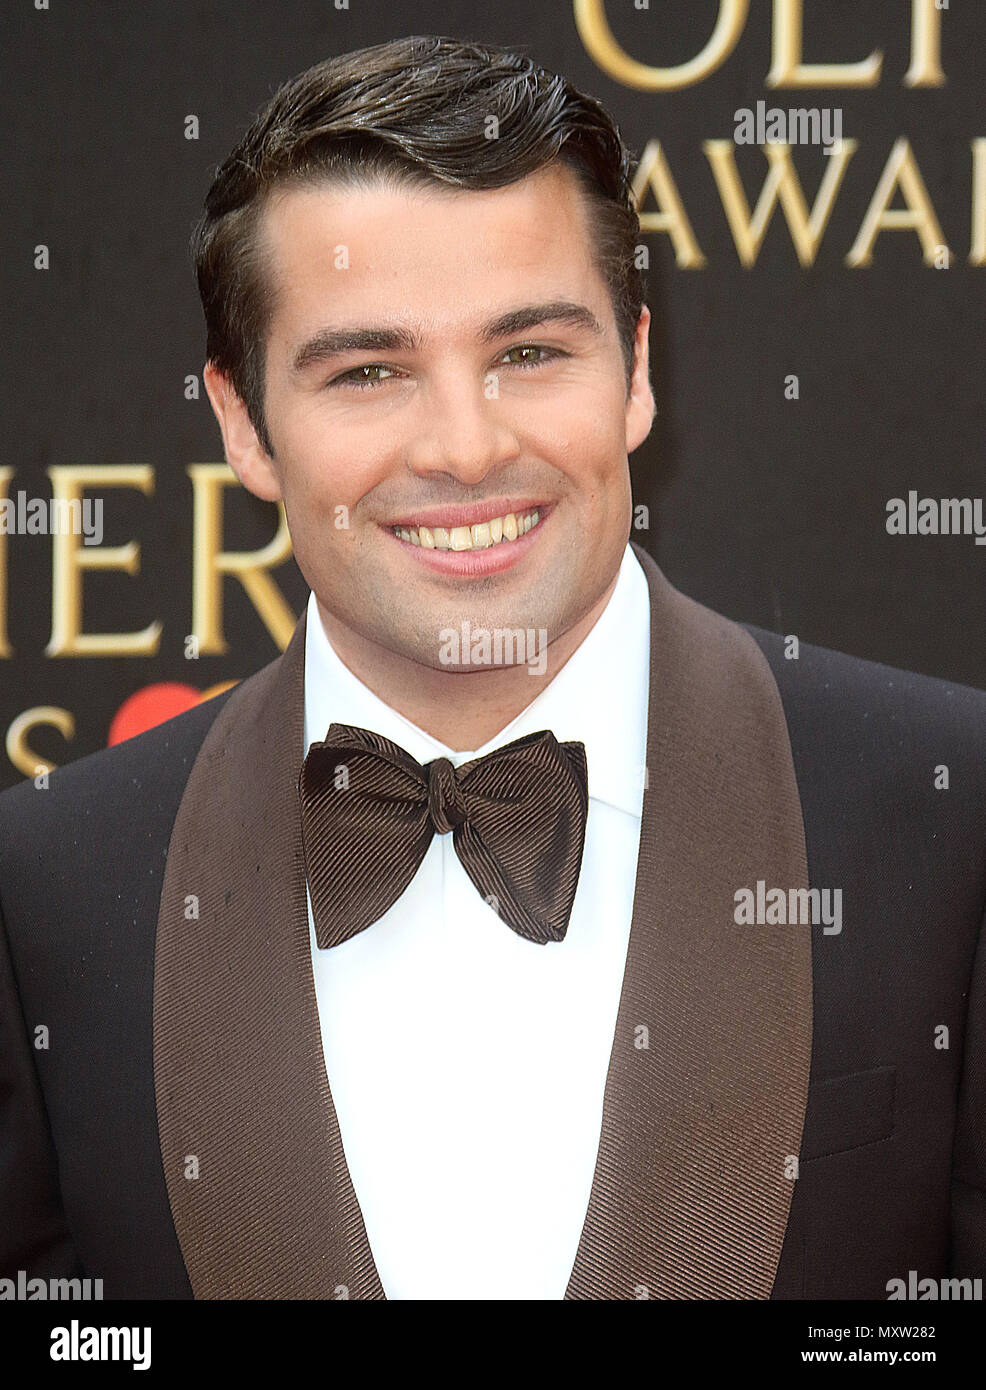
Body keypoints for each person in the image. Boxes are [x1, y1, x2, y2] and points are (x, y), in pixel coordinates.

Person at [1, 34, 984, 1302]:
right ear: (243, 422)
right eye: (368, 371)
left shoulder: (945, 816)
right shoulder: (50, 890)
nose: (464, 449)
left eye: (528, 352)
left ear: (635, 370)